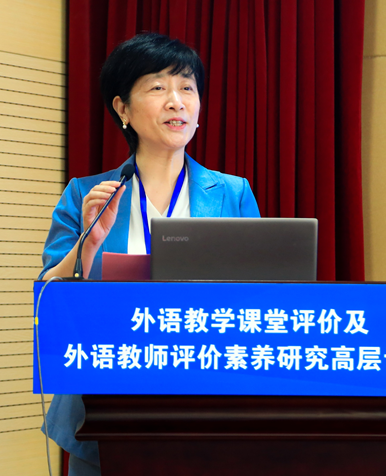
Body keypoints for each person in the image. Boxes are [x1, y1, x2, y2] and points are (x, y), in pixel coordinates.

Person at [39, 33, 260, 476]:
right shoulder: (86, 194)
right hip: (105, 406)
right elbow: (47, 301)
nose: (177, 101)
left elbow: (263, 294)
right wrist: (89, 242)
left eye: (187, 87)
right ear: (122, 108)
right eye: (158, 87)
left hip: (208, 400)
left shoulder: (232, 193)